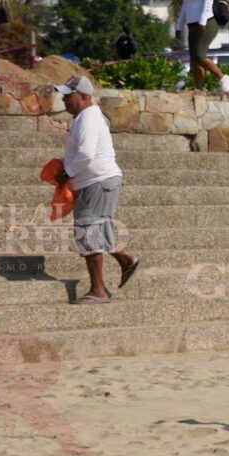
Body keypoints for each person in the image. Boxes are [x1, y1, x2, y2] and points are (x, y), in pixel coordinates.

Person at [54, 75, 140, 304]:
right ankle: (125, 261)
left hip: (97, 182)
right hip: (98, 182)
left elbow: (86, 154)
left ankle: (98, 290)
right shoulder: (84, 117)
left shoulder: (88, 117)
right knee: (97, 230)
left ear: (83, 96)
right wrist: (62, 163)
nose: (63, 100)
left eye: (68, 95)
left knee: (88, 233)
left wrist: (66, 173)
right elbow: (80, 152)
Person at [175, 0, 229, 92]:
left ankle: (224, 78)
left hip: (206, 25)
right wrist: (178, 27)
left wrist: (202, 21)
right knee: (194, 61)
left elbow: (208, 2)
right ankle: (199, 89)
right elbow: (184, 7)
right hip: (192, 26)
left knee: (200, 56)